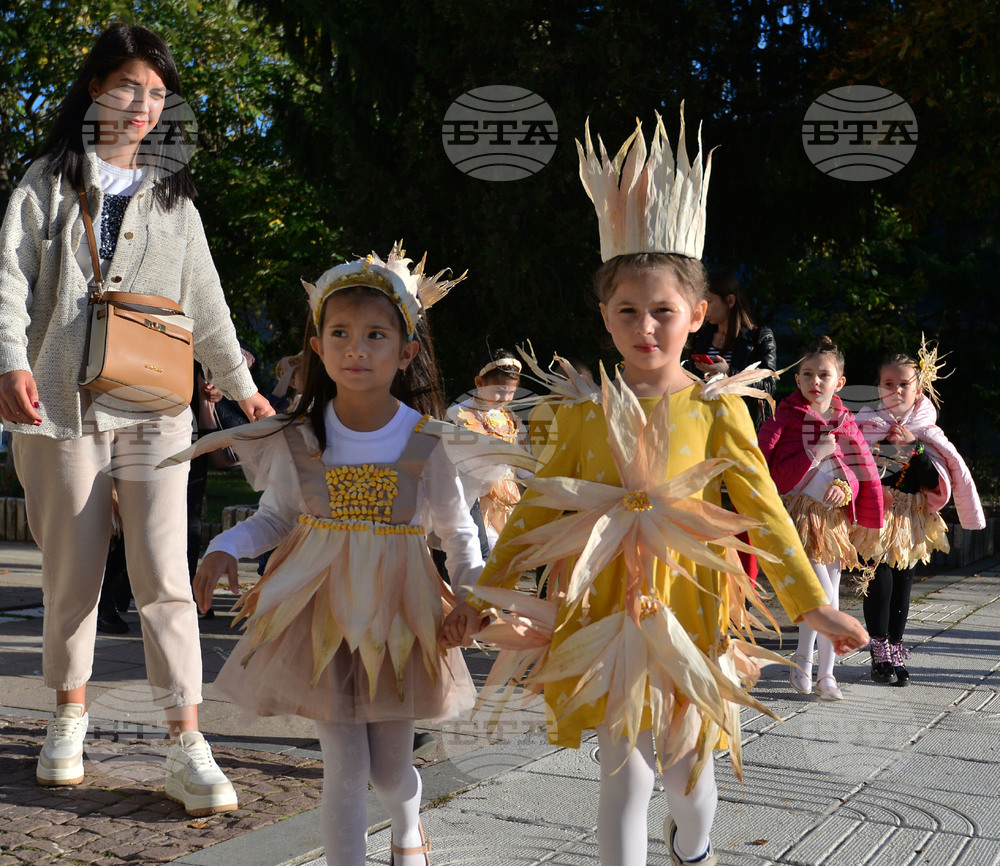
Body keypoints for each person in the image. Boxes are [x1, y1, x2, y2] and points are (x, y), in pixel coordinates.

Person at [440, 110, 869, 866]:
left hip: (694, 606)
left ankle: (693, 847)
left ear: (697, 316)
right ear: (604, 317)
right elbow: (539, 508)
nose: (646, 327)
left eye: (663, 311)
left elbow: (762, 507)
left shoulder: (717, 407)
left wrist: (810, 601)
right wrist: (485, 594)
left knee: (689, 776)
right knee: (621, 777)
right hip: (605, 608)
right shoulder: (581, 413)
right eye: (627, 311)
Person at [0, 23, 273, 814]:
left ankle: (187, 742)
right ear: (95, 90)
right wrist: (10, 363)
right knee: (72, 573)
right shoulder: (46, 182)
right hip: (60, 409)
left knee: (164, 575)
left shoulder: (174, 197)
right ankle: (68, 719)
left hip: (156, 406)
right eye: (129, 87)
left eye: (157, 93)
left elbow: (208, 304)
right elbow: (9, 285)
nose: (144, 105)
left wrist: (240, 386)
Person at [189, 246, 479, 866]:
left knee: (393, 769)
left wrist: (477, 593)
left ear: (405, 352)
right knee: (345, 768)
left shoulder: (430, 442)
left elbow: (458, 533)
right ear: (317, 348)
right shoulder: (299, 435)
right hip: (321, 616)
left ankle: (408, 830)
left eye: (376, 335)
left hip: (401, 619)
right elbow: (276, 517)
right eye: (340, 333)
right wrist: (222, 546)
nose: (357, 348)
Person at [757, 337, 883, 700]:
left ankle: (820, 669)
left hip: (833, 522)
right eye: (807, 374)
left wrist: (846, 490)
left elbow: (861, 473)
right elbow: (770, 473)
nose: (815, 381)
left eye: (823, 375)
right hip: (799, 517)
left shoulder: (846, 422)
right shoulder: (784, 420)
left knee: (831, 590)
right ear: (796, 380)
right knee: (822, 594)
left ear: (839, 382)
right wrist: (816, 452)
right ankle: (810, 665)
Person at [854, 347, 984, 685]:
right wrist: (880, 447)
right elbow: (853, 465)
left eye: (904, 384)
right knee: (877, 584)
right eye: (888, 383)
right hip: (875, 517)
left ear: (918, 389)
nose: (896, 391)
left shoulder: (926, 430)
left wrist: (915, 447)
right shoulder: (865, 424)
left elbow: (933, 478)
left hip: (910, 520)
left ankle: (896, 647)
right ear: (877, 386)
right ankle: (878, 651)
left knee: (902, 587)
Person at [446, 348, 527, 550]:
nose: (505, 399)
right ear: (479, 383)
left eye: (511, 392)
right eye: (499, 391)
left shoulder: (510, 418)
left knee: (508, 552)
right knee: (483, 551)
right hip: (475, 496)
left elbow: (522, 460)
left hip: (507, 497)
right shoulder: (460, 413)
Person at [688, 269, 777, 429]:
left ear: (730, 301)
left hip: (740, 426)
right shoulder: (701, 336)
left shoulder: (759, 337)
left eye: (709, 302)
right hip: (703, 422)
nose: (704, 308)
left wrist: (729, 373)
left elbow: (769, 384)